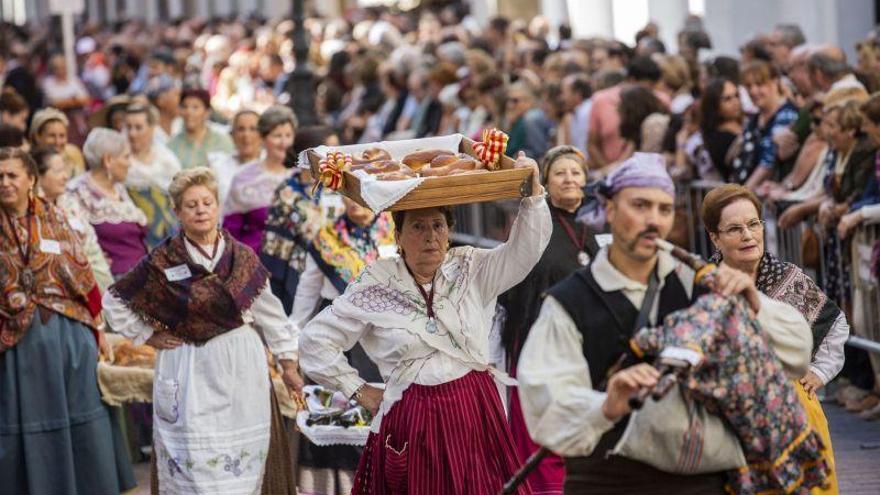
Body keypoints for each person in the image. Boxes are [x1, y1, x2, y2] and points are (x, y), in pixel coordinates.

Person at [516, 153, 813, 494]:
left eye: (664, 209)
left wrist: (755, 303)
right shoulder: (569, 302)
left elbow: (796, 355)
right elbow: (545, 410)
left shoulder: (700, 283)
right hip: (609, 482)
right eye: (640, 205)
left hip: (704, 485)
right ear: (610, 210)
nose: (653, 220)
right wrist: (606, 405)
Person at [299, 153, 549, 494]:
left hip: (474, 410)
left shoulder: (472, 268)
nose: (430, 236)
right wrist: (359, 390)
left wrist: (532, 195)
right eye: (417, 226)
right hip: (410, 420)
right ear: (398, 236)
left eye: (437, 226)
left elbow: (526, 251)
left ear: (449, 234)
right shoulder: (378, 283)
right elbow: (315, 340)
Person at [102, 167, 301, 493]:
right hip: (188, 365)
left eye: (207, 202)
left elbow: (272, 314)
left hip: (239, 363)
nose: (200, 210)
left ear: (217, 206)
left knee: (244, 462)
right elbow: (114, 301)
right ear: (177, 212)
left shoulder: (241, 257)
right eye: (191, 205)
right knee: (193, 461)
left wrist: (288, 362)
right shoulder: (164, 259)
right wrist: (147, 335)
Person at [0, 147, 134, 494]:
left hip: (67, 338)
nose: (4, 183)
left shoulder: (55, 219)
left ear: (31, 179)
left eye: (12, 175)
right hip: (14, 345)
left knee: (82, 418)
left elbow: (82, 273)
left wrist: (98, 328)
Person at [703, 184, 846, 494]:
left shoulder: (786, 277)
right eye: (734, 229)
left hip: (795, 409)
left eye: (754, 224)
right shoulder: (703, 286)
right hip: (730, 416)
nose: (748, 235)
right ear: (714, 237)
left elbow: (834, 324)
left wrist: (819, 372)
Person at [498, 145, 598, 495]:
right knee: (539, 442)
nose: (569, 178)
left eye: (576, 172)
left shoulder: (590, 236)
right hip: (533, 347)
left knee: (572, 437)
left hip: (578, 353)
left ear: (586, 182)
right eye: (560, 173)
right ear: (546, 182)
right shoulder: (533, 227)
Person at [291, 196, 395, 494]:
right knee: (337, 414)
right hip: (339, 335)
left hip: (383, 336)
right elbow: (306, 293)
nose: (355, 203)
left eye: (361, 195)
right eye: (349, 196)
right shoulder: (327, 238)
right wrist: (290, 345)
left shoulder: (395, 228)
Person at [261, 126, 343, 313]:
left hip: (340, 272)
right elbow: (275, 248)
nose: (337, 157)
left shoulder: (340, 187)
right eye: (329, 151)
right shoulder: (288, 191)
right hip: (299, 274)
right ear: (309, 156)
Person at [59, 128, 147, 278]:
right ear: (108, 160)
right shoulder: (77, 192)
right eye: (126, 157)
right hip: (114, 280)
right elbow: (78, 243)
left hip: (143, 270)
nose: (129, 164)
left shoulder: (118, 187)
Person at [31, 145, 113, 290]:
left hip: (95, 274)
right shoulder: (31, 212)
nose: (65, 176)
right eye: (57, 171)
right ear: (38, 176)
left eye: (65, 170)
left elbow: (91, 244)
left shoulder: (70, 203)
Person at [223, 105, 297, 252]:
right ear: (263, 138)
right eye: (277, 136)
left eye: (288, 136)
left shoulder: (301, 175)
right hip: (255, 260)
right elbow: (231, 228)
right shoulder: (244, 177)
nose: (283, 143)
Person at [730, 60, 800, 189]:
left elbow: (768, 162)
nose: (753, 91)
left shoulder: (786, 115)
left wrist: (743, 193)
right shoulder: (755, 118)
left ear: (775, 82)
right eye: (748, 86)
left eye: (760, 84)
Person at [124, 103, 181, 249]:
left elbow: (179, 194)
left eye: (138, 127)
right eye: (128, 127)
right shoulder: (119, 160)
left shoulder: (166, 159)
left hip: (169, 230)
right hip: (134, 232)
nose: (132, 133)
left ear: (151, 128)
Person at [167, 88, 235, 170]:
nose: (189, 112)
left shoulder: (222, 141)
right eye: (185, 107)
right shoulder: (172, 146)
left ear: (207, 112)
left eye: (195, 107)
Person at [210, 109, 263, 210]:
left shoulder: (273, 167)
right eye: (241, 129)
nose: (246, 135)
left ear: (262, 135)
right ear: (232, 135)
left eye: (253, 129)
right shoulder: (217, 167)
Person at [699, 77, 744, 181]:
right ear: (714, 105)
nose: (735, 102)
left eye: (736, 95)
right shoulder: (717, 138)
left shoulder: (750, 123)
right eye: (727, 99)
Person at [29, 107, 87, 177]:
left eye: (62, 136)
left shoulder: (73, 154)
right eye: (52, 136)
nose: (57, 142)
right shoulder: (27, 162)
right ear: (37, 137)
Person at [505, 81, 554, 159]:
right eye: (508, 100)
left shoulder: (532, 118)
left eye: (515, 101)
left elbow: (509, 151)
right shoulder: (518, 118)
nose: (510, 105)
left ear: (529, 101)